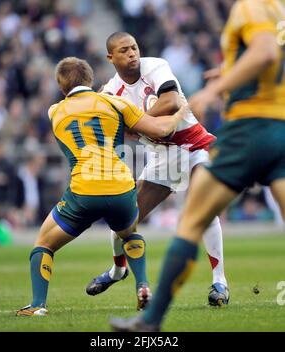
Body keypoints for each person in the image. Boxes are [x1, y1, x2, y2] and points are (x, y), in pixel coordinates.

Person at [110, 0, 285, 331]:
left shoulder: (251, 8)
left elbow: (265, 54)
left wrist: (213, 90)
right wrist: (232, 69)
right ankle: (125, 274)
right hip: (279, 125)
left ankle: (152, 321)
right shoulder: (279, 12)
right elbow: (271, 58)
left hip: (250, 128)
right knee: (155, 216)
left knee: (193, 218)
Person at [16, 56, 186, 316]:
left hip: (84, 190)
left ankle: (38, 305)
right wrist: (180, 113)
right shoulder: (114, 102)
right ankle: (142, 285)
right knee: (128, 232)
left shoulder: (54, 111)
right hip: (120, 185)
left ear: (61, 87)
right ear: (91, 79)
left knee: (44, 244)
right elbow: (161, 130)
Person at [86, 32, 229, 306]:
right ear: (110, 57)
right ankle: (118, 270)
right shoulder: (110, 91)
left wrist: (133, 123)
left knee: (203, 208)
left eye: (134, 47)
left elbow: (171, 102)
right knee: (125, 220)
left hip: (195, 145)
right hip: (161, 156)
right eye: (124, 50)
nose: (132, 53)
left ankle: (219, 282)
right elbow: (102, 124)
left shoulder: (155, 66)